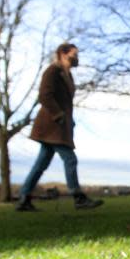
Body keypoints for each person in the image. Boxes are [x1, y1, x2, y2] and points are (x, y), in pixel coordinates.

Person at [15, 43, 103, 211]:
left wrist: (69, 120)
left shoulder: (67, 75)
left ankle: (24, 198)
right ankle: (78, 198)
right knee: (70, 159)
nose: (76, 58)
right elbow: (44, 96)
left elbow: (65, 102)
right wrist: (59, 115)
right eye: (73, 54)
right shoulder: (53, 71)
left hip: (60, 125)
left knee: (41, 164)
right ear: (63, 54)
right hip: (52, 125)